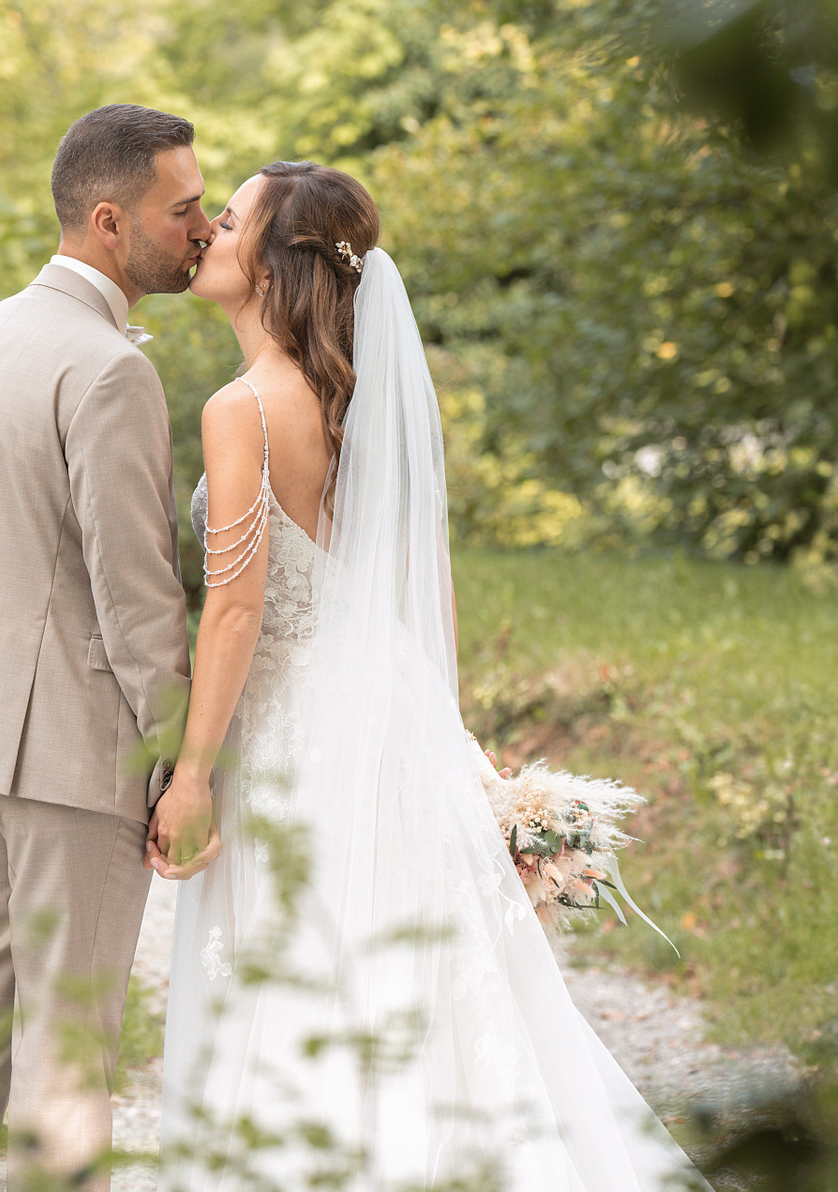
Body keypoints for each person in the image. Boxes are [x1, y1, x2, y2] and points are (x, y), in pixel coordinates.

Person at [151, 161, 705, 1190]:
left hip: (294, 734)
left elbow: (233, 609)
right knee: (418, 972)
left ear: (271, 264)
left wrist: (190, 776)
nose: (206, 235)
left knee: (305, 967)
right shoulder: (358, 401)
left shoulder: (243, 409)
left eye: (227, 222)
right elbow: (424, 587)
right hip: (391, 713)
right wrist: (444, 730)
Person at [0, 103, 214, 1191]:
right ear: (111, 220)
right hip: (71, 752)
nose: (203, 229)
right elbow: (136, 592)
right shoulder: (111, 369)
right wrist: (176, 759)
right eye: (183, 209)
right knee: (67, 1038)